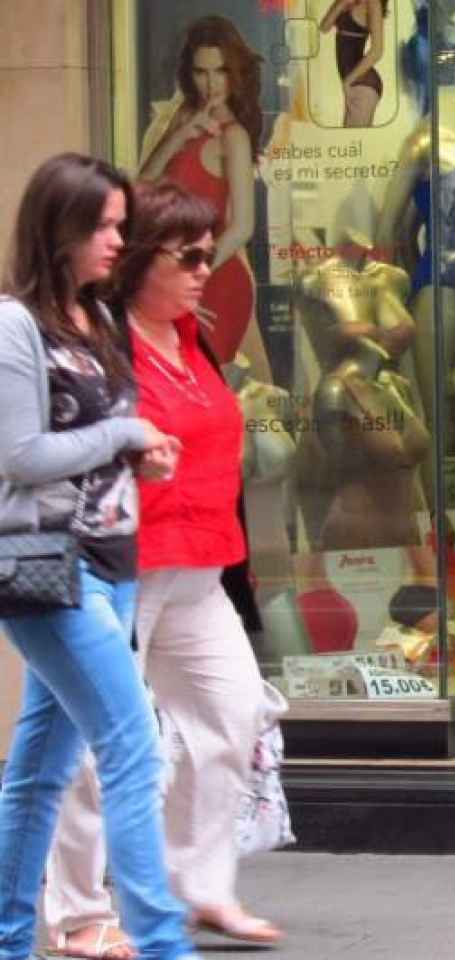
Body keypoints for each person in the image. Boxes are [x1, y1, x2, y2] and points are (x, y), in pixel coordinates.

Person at [40, 182, 282, 960]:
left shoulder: (194, 340)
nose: (205, 270)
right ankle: (77, 913)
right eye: (189, 257)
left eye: (210, 254)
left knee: (233, 714)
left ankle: (200, 883)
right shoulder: (105, 344)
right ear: (139, 261)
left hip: (200, 567)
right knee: (92, 740)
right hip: (121, 565)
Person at [0, 153, 199, 960]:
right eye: (106, 226)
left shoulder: (100, 319)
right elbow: (20, 455)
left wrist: (143, 456)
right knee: (131, 747)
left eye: (122, 224)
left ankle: (11, 941)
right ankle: (162, 944)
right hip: (50, 566)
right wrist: (121, 436)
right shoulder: (16, 325)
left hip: (113, 564)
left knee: (41, 770)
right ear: (61, 229)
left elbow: (93, 446)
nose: (119, 241)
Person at [137, 16, 265, 382]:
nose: (210, 84)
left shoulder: (234, 136)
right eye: (201, 72)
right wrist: (178, 135)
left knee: (204, 391)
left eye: (220, 72)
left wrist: (189, 274)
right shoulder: (184, 118)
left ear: (235, 73)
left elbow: (242, 227)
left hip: (217, 278)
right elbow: (141, 190)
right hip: (177, 277)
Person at [319, 0, 388, 127]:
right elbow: (324, 27)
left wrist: (348, 81)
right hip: (354, 83)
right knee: (353, 141)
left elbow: (377, 51)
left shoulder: (373, 3)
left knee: (355, 141)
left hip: (363, 84)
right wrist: (341, 4)